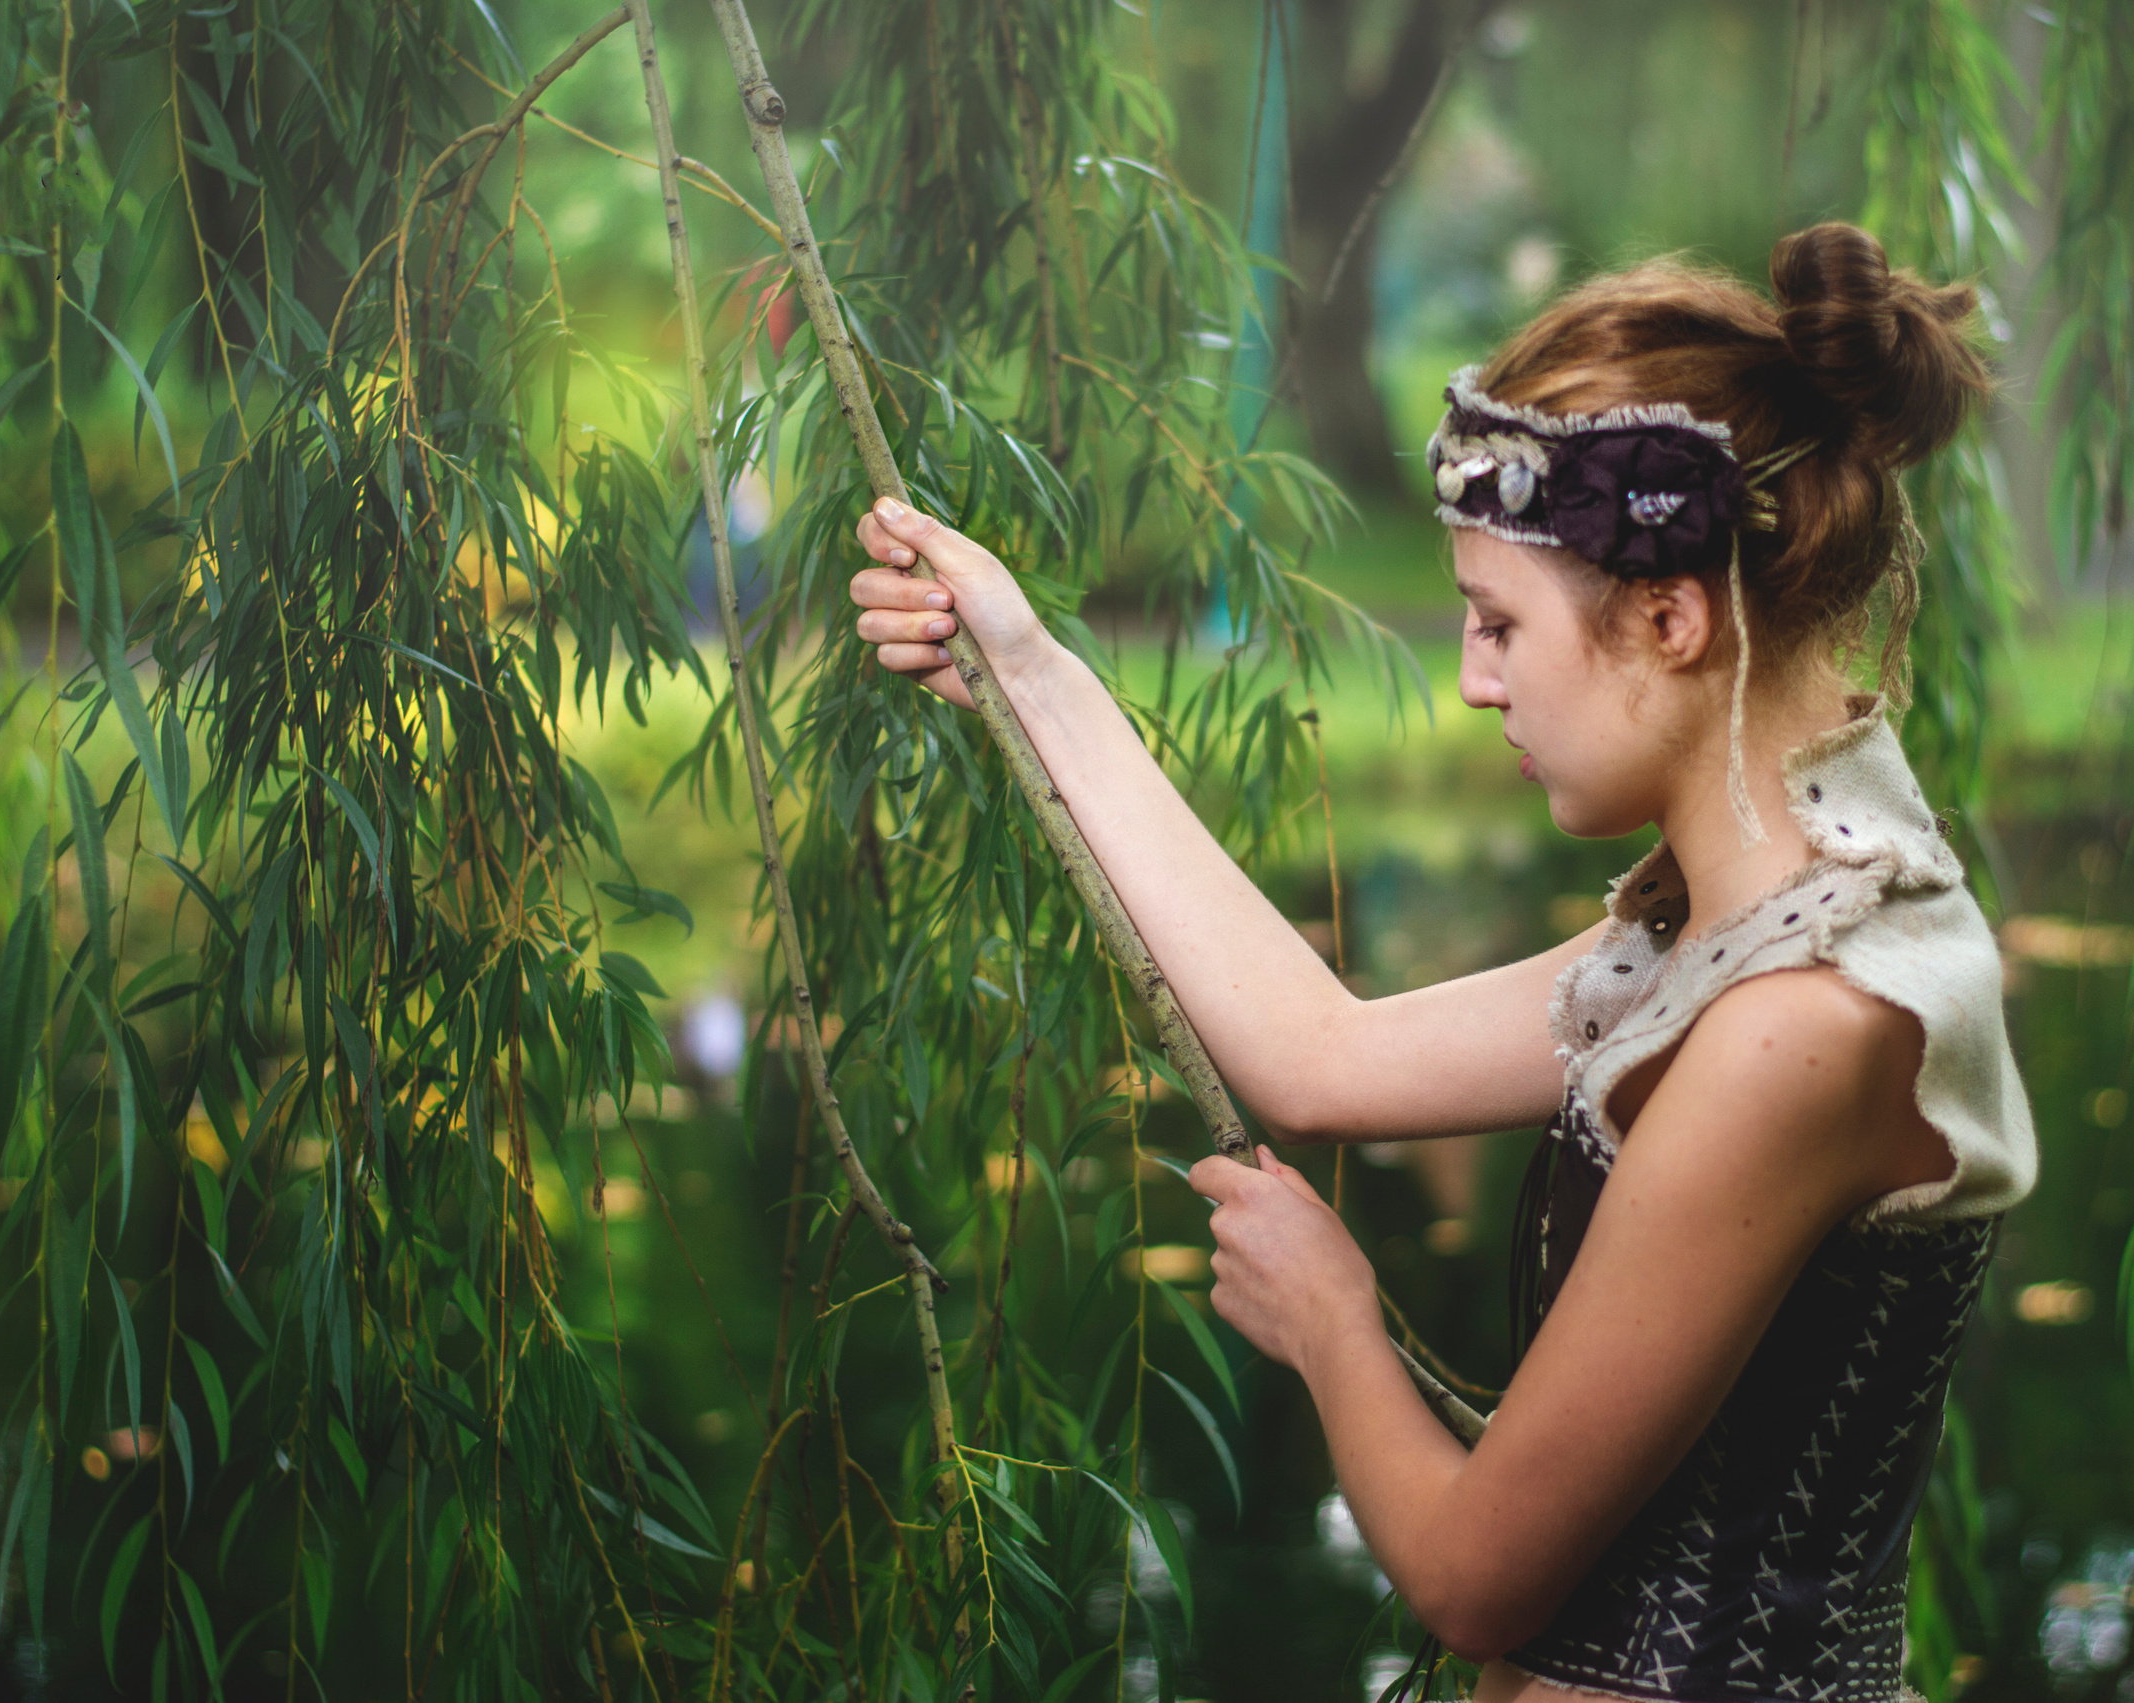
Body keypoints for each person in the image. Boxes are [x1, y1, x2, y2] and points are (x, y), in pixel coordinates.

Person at [848, 221, 2035, 1703]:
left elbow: (1479, 1579)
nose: (1472, 680)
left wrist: (1334, 1325)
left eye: (1497, 624)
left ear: (1670, 617)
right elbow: (1323, 1059)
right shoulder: (1756, 932)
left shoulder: (1798, 1025)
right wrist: (1030, 674)